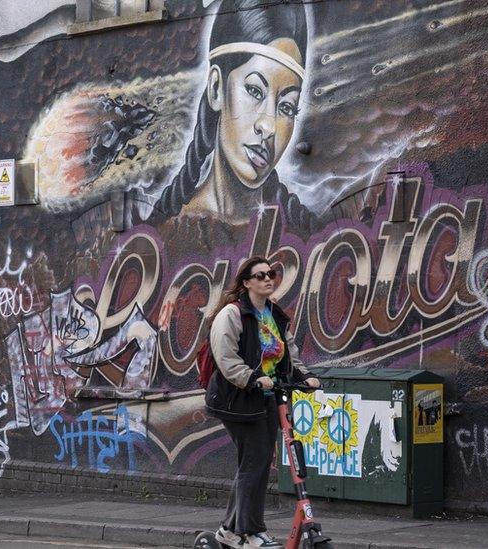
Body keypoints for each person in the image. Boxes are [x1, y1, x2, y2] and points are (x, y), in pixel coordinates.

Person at [152, 0, 315, 233]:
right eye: (255, 91)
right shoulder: (169, 234)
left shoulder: (307, 237)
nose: (269, 126)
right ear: (216, 88)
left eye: (287, 107)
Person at [205, 256, 320, 549]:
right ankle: (249, 532)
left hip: (268, 399)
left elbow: (288, 352)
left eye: (271, 274)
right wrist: (253, 378)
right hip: (238, 399)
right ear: (246, 283)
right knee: (254, 463)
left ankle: (230, 530)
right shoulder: (231, 315)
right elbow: (226, 357)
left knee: (254, 464)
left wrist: (304, 376)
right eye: (260, 275)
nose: (268, 279)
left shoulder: (273, 315)